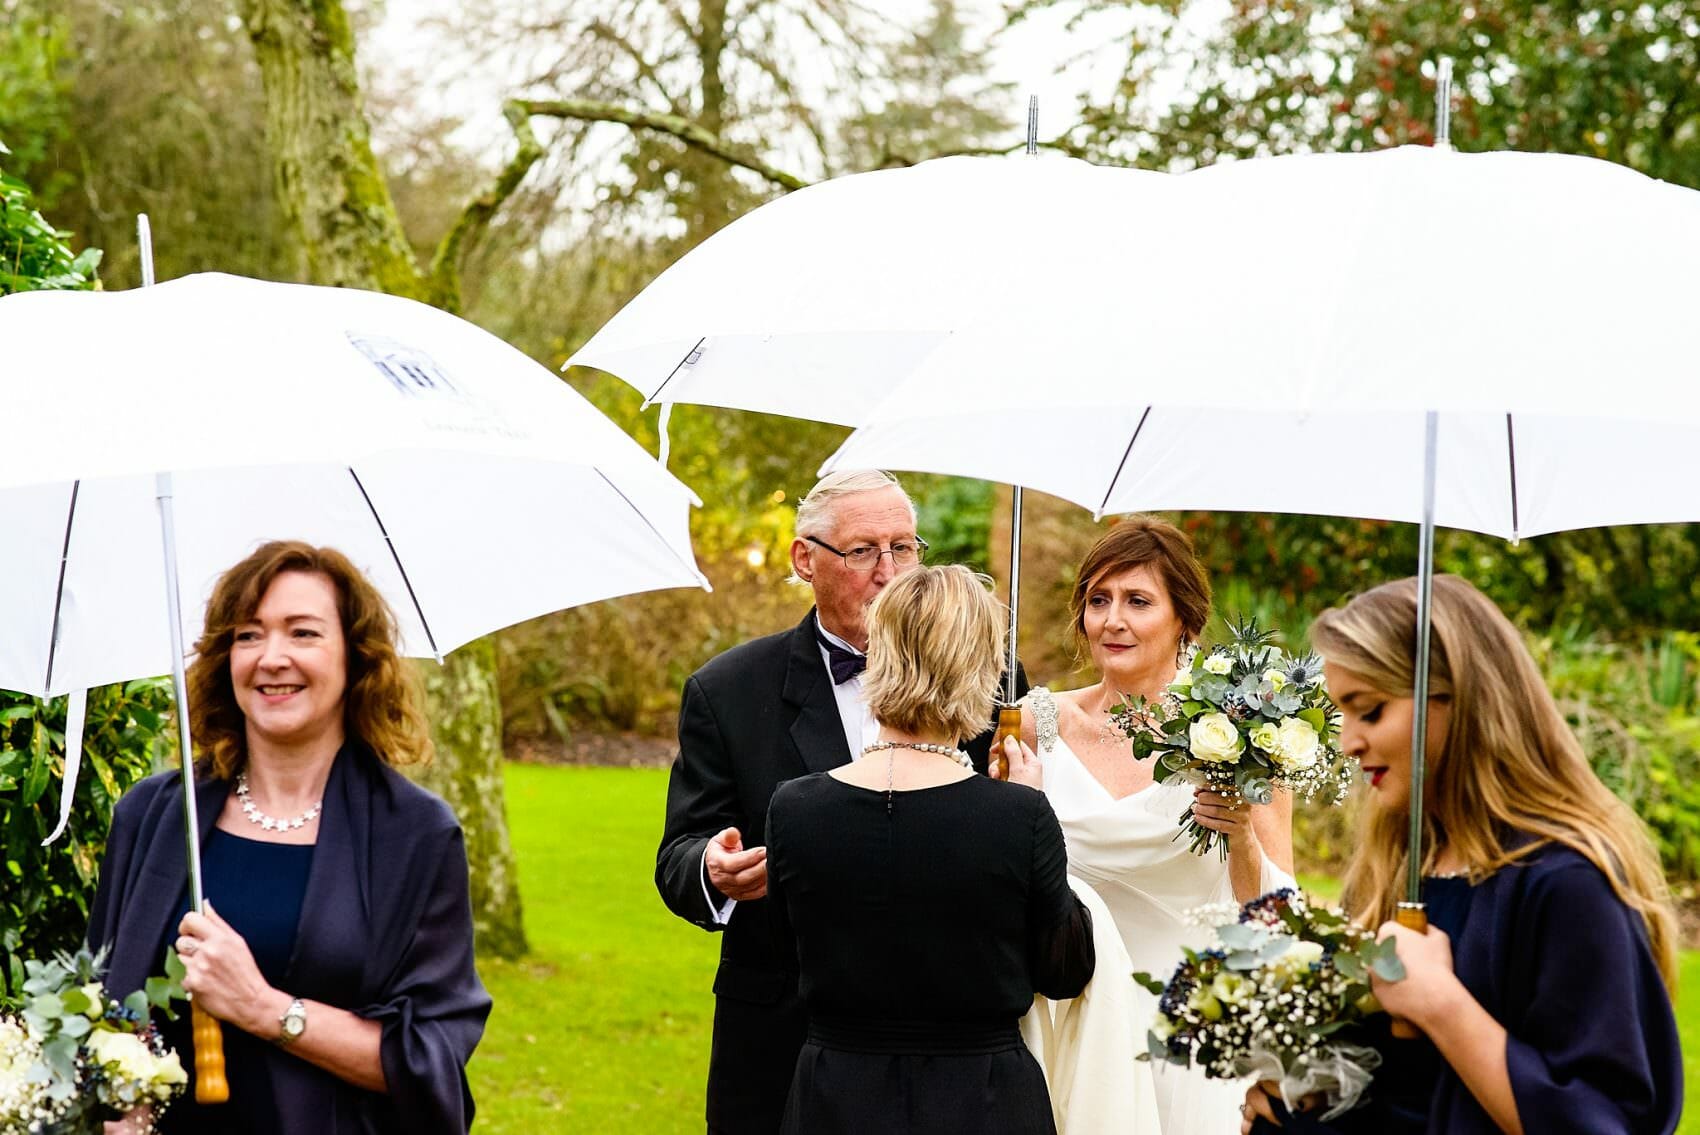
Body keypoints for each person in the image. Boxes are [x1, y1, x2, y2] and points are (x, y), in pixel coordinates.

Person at [1240, 575, 1682, 1135]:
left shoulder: (1565, 883)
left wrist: (1441, 1006)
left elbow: (1599, 1119)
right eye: (1343, 714)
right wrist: (1298, 1104)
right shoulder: (1399, 864)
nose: (1349, 741)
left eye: (1370, 710)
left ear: (1462, 700)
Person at [654, 469, 1024, 1134]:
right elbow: (677, 854)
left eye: (904, 548)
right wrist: (711, 867)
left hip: (955, 1045)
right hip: (782, 1039)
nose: (889, 571)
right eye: (863, 551)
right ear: (805, 558)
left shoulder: (992, 674)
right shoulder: (728, 691)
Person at [87, 541, 490, 1134]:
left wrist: (263, 1007)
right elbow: (97, 1002)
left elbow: (429, 1055)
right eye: (248, 636)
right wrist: (111, 1103)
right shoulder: (150, 816)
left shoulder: (414, 836)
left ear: (356, 657)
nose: (272, 657)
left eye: (302, 633)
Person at [764, 564, 1094, 1134]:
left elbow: (785, 952)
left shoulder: (794, 808)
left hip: (836, 1096)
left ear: (879, 657)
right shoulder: (1017, 815)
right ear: (979, 670)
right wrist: (1031, 817)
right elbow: (1065, 968)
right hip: (981, 1100)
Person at [1003, 517, 1295, 1133]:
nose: (1113, 620)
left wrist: (1240, 833)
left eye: (1138, 601)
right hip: (1068, 1016)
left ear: (1184, 618)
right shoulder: (1034, 723)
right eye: (1098, 600)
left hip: (1187, 1029)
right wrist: (1014, 815)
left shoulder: (1240, 737)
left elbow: (1275, 920)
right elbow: (995, 883)